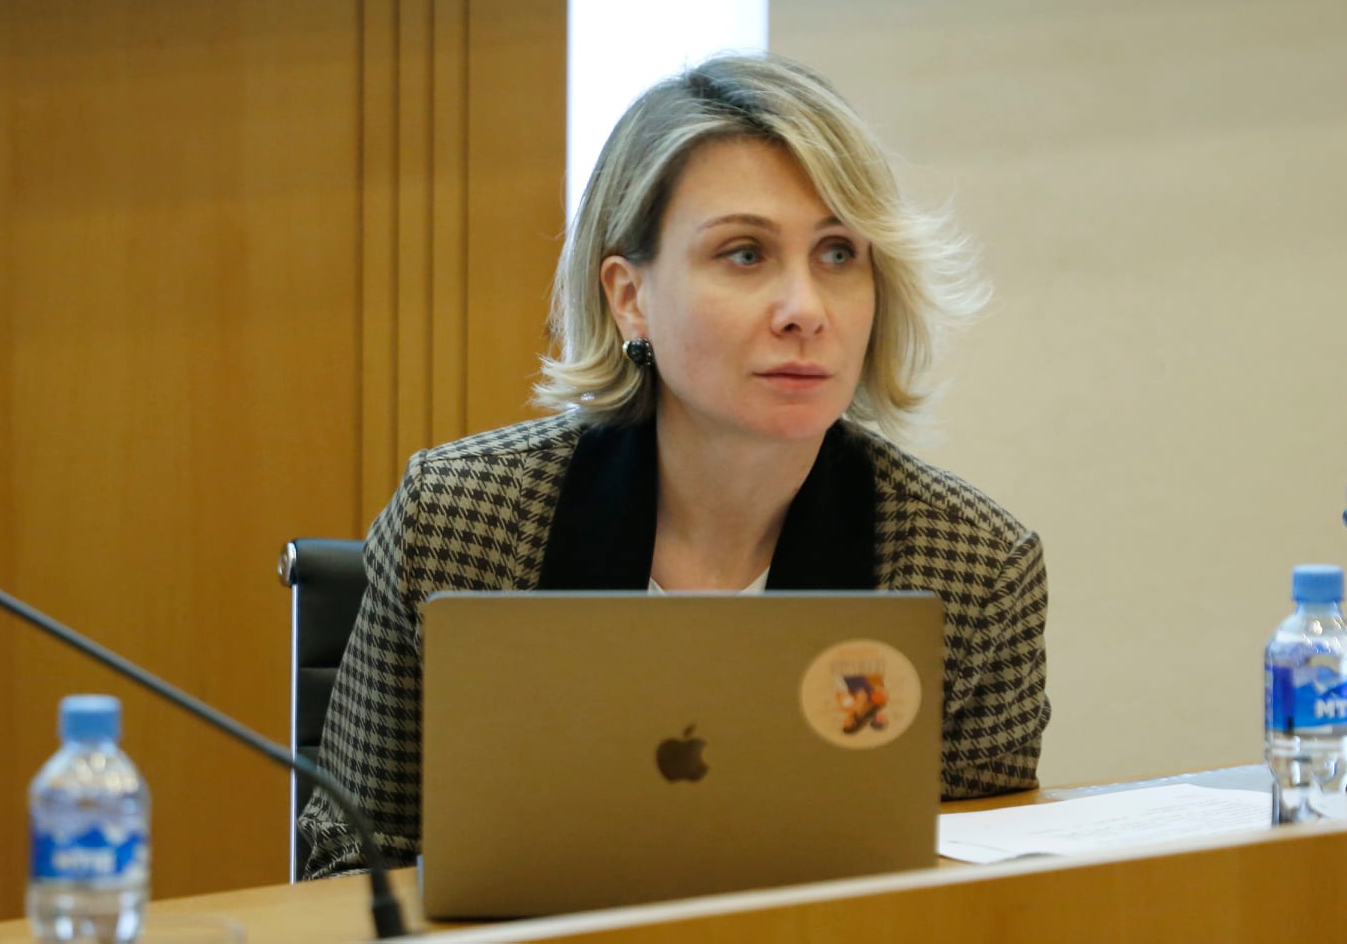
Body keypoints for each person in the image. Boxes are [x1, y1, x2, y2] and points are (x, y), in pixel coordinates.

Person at [299, 53, 1050, 878]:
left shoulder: (972, 568)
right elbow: (350, 867)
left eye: (839, 253)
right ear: (630, 297)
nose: (805, 310)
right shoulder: (458, 519)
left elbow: (981, 904)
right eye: (744, 253)